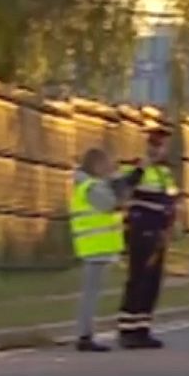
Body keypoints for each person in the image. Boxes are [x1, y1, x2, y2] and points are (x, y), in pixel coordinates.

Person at [71, 147, 143, 353]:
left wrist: (125, 179)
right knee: (90, 294)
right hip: (94, 247)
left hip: (99, 247)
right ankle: (84, 335)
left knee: (92, 293)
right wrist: (122, 183)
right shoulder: (90, 187)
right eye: (105, 164)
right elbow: (112, 203)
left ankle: (86, 333)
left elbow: (114, 193)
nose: (108, 168)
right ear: (95, 165)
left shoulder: (92, 184)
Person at [117, 127, 180, 349]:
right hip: (141, 231)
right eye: (154, 144)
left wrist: (170, 226)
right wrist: (140, 168)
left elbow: (171, 201)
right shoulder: (137, 167)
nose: (157, 149)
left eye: (161, 145)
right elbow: (124, 187)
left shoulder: (165, 173)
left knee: (153, 283)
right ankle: (128, 329)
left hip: (159, 235)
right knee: (138, 280)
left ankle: (143, 328)